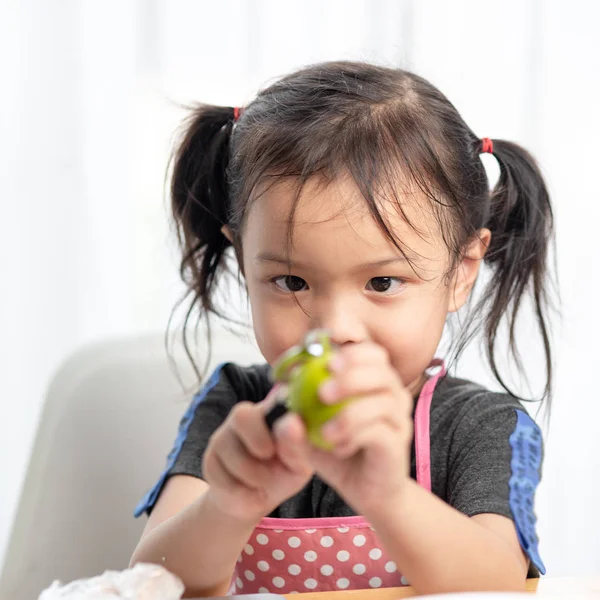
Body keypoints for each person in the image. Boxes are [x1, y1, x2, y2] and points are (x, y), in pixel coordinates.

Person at [130, 61, 555, 597]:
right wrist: (229, 504)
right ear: (243, 261)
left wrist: (387, 496)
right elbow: (150, 579)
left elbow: (499, 583)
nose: (335, 330)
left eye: (382, 282)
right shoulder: (238, 405)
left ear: (460, 273)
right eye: (290, 280)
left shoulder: (481, 427)